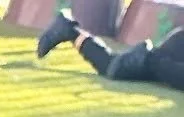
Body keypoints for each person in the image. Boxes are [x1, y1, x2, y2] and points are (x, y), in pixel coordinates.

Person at [36, 8, 184, 87]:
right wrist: (153, 60)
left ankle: (69, 30)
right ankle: (69, 30)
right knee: (113, 68)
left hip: (168, 55)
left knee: (113, 66)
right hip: (161, 57)